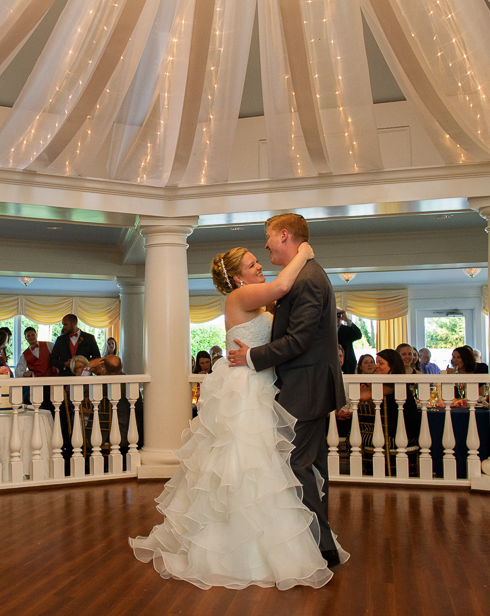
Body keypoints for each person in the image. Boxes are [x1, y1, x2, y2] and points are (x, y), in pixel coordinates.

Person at [132, 223, 346, 590]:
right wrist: (304, 254)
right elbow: (282, 286)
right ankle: (249, 547)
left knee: (275, 466)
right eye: (251, 264)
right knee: (247, 467)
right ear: (236, 277)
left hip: (266, 383)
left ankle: (305, 541)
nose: (260, 262)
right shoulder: (240, 298)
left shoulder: (262, 297)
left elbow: (288, 313)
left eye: (261, 254)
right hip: (248, 387)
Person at [225, 213, 348, 571]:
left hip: (305, 386)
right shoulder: (303, 273)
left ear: (283, 235)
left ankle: (317, 548)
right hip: (302, 386)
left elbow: (299, 341)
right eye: (252, 260)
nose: (264, 247)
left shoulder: (306, 278)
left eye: (267, 239)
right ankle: (316, 545)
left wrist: (251, 356)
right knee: (308, 467)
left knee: (298, 465)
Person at [337, 308, 362, 375]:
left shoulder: (346, 330)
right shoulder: (326, 330)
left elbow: (358, 335)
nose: (336, 317)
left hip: (347, 364)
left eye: (338, 315)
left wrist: (347, 320)